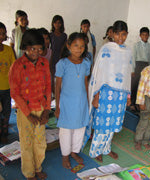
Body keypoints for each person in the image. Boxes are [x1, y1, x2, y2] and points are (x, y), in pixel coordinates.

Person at [85, 20, 132, 162]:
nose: (120, 38)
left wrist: (128, 95)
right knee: (102, 124)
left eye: (123, 34)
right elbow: (100, 74)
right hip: (106, 94)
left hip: (121, 96)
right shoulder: (106, 49)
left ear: (127, 34)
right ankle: (95, 150)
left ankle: (106, 148)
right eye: (117, 34)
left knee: (113, 124)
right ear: (112, 33)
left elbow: (127, 74)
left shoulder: (128, 51)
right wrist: (97, 95)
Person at [9, 29, 51, 180]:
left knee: (40, 142)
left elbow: (47, 87)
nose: (36, 52)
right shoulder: (17, 66)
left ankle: (38, 167)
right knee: (26, 144)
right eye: (33, 48)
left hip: (41, 109)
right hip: (24, 112)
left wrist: (46, 110)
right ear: (25, 47)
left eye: (40, 48)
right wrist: (28, 114)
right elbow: (15, 93)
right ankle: (29, 173)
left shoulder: (44, 63)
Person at [55, 32, 91, 169]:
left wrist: (87, 101)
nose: (79, 49)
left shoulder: (86, 63)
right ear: (69, 46)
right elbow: (57, 86)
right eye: (76, 45)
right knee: (66, 130)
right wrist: (57, 107)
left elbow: (85, 83)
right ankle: (65, 155)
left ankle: (74, 152)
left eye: (82, 46)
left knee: (80, 128)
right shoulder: (62, 63)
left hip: (81, 101)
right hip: (66, 102)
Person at [0, 22, 15, 143]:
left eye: (3, 33)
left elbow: (13, 69)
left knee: (6, 111)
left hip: (7, 88)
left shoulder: (9, 50)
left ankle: (4, 132)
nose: (1, 36)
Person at [131, 27, 150, 110]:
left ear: (148, 36)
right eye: (143, 35)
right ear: (140, 35)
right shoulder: (136, 45)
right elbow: (133, 58)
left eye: (146, 35)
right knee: (135, 85)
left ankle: (138, 104)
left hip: (146, 66)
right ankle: (132, 103)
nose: (145, 36)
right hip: (138, 65)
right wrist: (133, 70)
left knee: (143, 86)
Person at [50, 15, 67, 95]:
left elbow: (64, 48)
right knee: (52, 77)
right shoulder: (50, 35)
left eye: (59, 23)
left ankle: (60, 94)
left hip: (61, 58)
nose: (57, 25)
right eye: (56, 23)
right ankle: (54, 95)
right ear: (53, 24)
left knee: (60, 77)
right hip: (52, 58)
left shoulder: (64, 36)